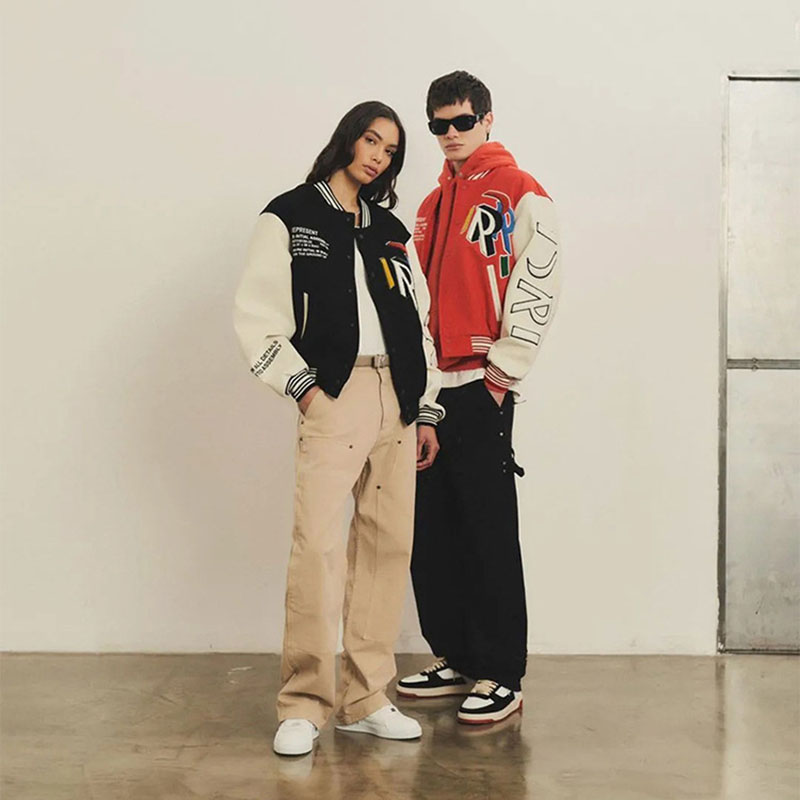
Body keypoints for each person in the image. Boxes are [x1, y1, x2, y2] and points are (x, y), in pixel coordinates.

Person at [233, 101, 444, 756]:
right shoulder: (290, 216)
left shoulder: (390, 230)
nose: (378, 156)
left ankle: (366, 698)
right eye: (371, 141)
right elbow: (257, 315)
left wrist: (424, 405)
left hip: (396, 397)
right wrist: (303, 388)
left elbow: (419, 320)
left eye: (391, 150)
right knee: (318, 548)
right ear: (347, 140)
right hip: (335, 393)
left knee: (386, 549)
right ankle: (303, 702)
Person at [397, 71, 561, 725]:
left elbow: (538, 284)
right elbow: (416, 301)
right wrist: (420, 387)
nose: (450, 134)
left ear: (487, 119)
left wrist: (500, 378)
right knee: (432, 533)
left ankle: (501, 672)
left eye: (462, 121)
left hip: (482, 386)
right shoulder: (431, 205)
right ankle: (458, 656)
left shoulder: (521, 191)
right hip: (432, 391)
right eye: (438, 125)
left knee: (488, 532)